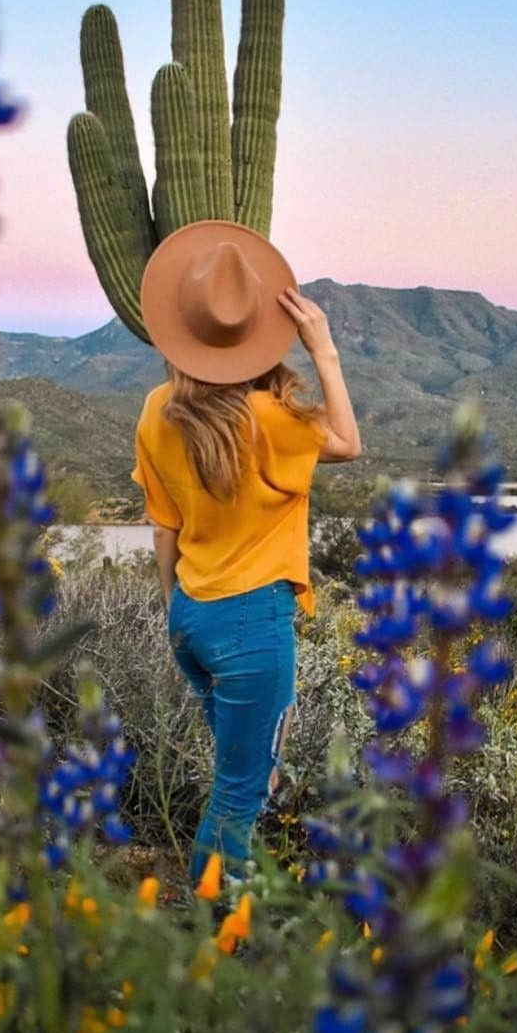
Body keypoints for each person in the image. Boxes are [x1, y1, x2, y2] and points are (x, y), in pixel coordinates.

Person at [130, 220, 361, 891]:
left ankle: (233, 901)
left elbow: (162, 527)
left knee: (243, 774)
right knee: (240, 794)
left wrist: (176, 604)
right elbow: (347, 440)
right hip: (253, 625)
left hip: (192, 615)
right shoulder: (268, 418)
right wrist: (325, 351)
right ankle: (212, 936)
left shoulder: (154, 410)